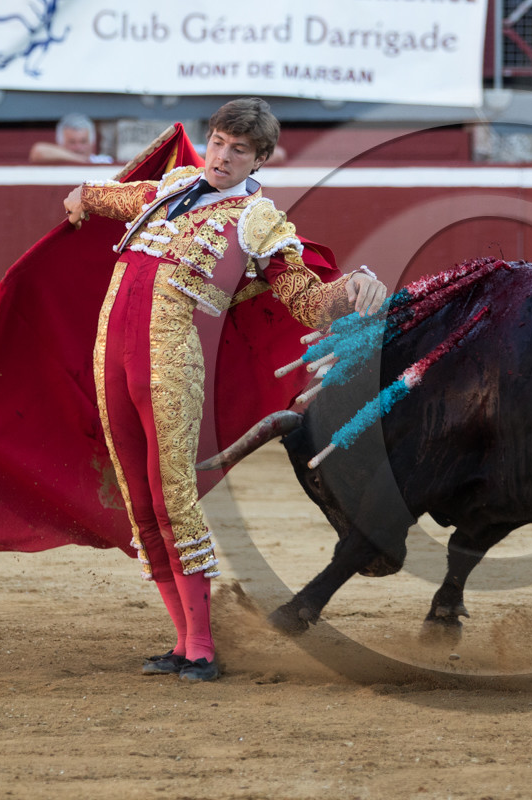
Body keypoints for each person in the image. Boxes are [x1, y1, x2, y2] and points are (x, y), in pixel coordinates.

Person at [61, 97, 387, 682]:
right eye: (216, 141)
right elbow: (109, 195)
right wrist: (83, 194)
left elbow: (307, 300)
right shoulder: (171, 186)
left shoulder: (256, 221)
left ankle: (203, 647)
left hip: (169, 365)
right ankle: (181, 642)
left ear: (260, 158)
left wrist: (355, 289)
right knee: (140, 503)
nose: (222, 156)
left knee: (171, 498)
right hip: (108, 358)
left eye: (239, 150)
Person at [30, 113, 114, 164]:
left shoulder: (103, 161)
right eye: (72, 142)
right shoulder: (56, 161)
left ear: (92, 142)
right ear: (60, 144)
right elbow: (38, 151)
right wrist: (79, 159)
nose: (78, 147)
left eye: (83, 141)